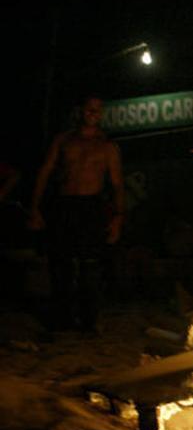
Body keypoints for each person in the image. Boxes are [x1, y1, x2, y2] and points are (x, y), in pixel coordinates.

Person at [28, 96, 124, 332]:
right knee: (61, 265)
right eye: (89, 108)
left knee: (90, 267)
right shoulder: (63, 141)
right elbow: (45, 172)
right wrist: (34, 208)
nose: (93, 112)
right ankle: (62, 318)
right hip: (65, 205)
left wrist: (118, 218)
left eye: (98, 109)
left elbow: (117, 184)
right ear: (80, 111)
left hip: (91, 207)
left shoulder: (107, 146)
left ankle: (88, 321)